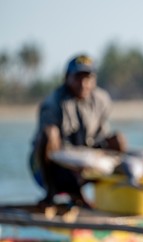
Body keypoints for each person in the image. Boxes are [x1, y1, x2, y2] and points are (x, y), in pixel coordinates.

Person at [29, 54, 127, 208]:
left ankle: (111, 195)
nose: (83, 83)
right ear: (67, 78)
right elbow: (48, 143)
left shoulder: (101, 99)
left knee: (118, 140)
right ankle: (50, 193)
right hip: (53, 167)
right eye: (78, 77)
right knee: (49, 134)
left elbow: (102, 136)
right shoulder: (53, 102)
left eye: (88, 78)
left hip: (85, 158)